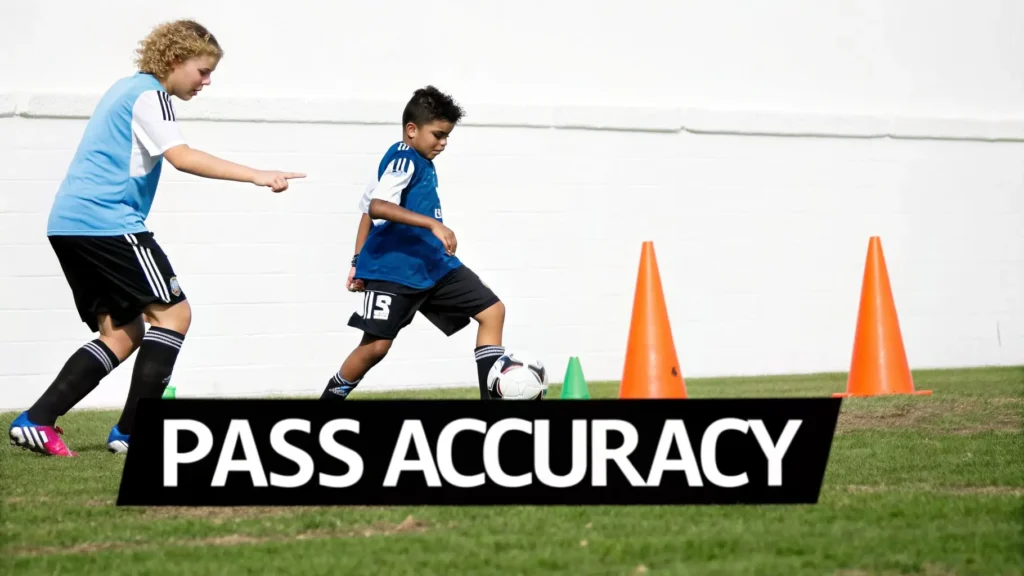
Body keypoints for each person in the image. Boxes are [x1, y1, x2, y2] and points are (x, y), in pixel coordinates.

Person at [7, 20, 305, 457]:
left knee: (124, 333)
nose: (207, 81)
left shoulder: (125, 88)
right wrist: (257, 175)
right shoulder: (152, 95)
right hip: (106, 223)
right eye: (202, 71)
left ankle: (37, 420)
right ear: (174, 60)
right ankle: (130, 434)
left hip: (70, 225)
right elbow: (182, 157)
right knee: (174, 315)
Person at [323, 86, 506, 401]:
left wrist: (355, 261)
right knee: (375, 347)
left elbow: (368, 211)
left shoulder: (415, 161)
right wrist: (433, 224)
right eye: (438, 134)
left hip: (433, 265)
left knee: (492, 311)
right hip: (395, 270)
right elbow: (378, 207)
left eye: (447, 136)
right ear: (412, 129)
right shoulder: (403, 157)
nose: (443, 143)